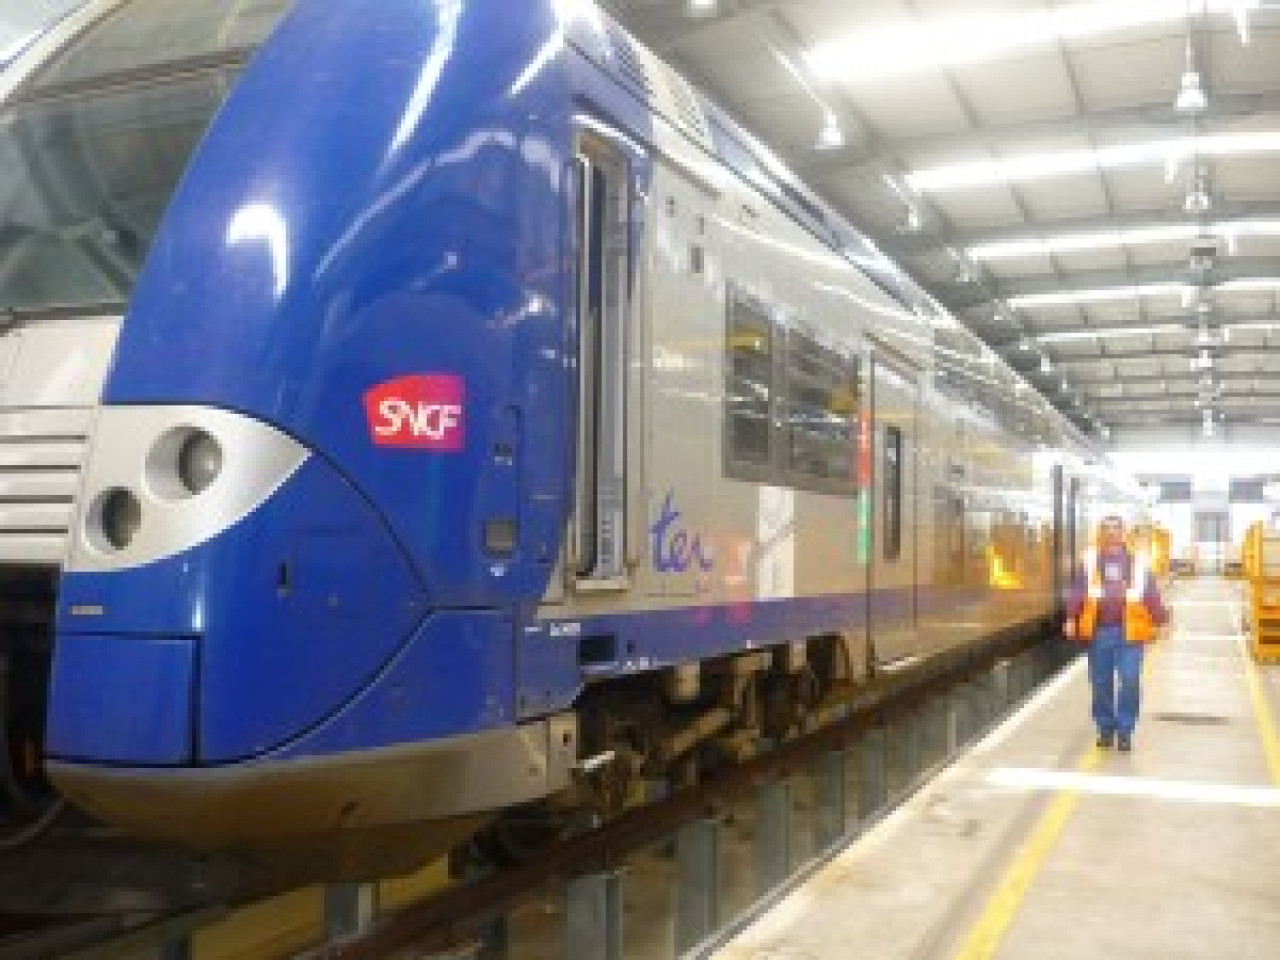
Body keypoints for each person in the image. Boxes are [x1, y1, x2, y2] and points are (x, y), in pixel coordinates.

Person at [1064, 515, 1168, 752]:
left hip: (1130, 632)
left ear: (1124, 533)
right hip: (1099, 631)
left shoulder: (1138, 562)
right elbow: (1078, 589)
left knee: (1130, 680)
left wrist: (1160, 620)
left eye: (1116, 529)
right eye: (1107, 529)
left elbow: (1150, 593)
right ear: (1101, 532)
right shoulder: (1090, 560)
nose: (1112, 533)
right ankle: (1105, 728)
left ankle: (1125, 730)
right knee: (1100, 683)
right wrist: (1071, 617)